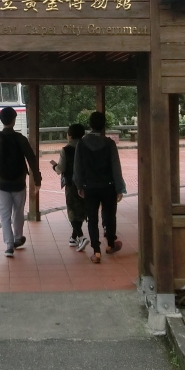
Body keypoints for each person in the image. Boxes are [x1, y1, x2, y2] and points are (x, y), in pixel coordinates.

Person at [73, 111, 126, 264]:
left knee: (92, 218)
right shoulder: (109, 144)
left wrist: (79, 186)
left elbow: (78, 168)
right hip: (108, 186)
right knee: (110, 215)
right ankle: (110, 244)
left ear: (90, 125)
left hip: (89, 186)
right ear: (104, 125)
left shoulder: (81, 144)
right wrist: (119, 188)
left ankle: (96, 251)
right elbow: (116, 167)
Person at [0, 106, 41, 257]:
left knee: (4, 214)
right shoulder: (21, 139)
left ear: (1, 120)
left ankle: (9, 245)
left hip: (2, 184)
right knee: (18, 212)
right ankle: (18, 238)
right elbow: (32, 158)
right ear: (14, 120)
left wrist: (0, 170)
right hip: (19, 182)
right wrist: (37, 179)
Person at [51, 123, 89, 251]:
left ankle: (81, 236)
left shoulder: (66, 149)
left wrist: (54, 166)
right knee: (82, 209)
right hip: (85, 182)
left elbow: (60, 169)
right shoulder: (87, 147)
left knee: (72, 210)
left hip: (71, 184)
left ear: (70, 135)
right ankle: (73, 238)